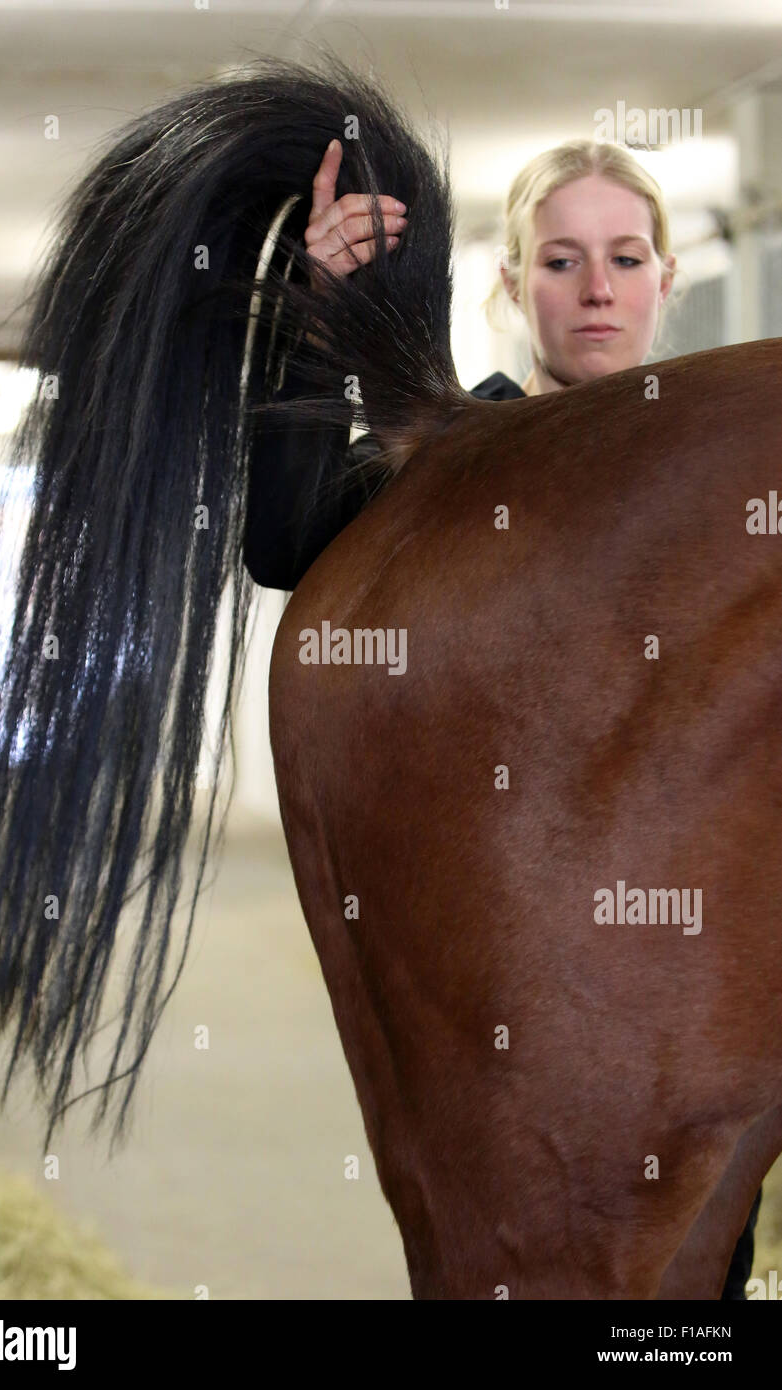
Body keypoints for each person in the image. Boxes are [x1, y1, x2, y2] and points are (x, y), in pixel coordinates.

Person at [244, 134, 762, 1299]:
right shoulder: (452, 450)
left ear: (666, 281)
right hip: (516, 954)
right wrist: (310, 321)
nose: (594, 290)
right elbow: (281, 542)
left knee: (699, 1258)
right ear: (509, 281)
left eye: (625, 258)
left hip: (699, 963)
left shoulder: (714, 471)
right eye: (559, 259)